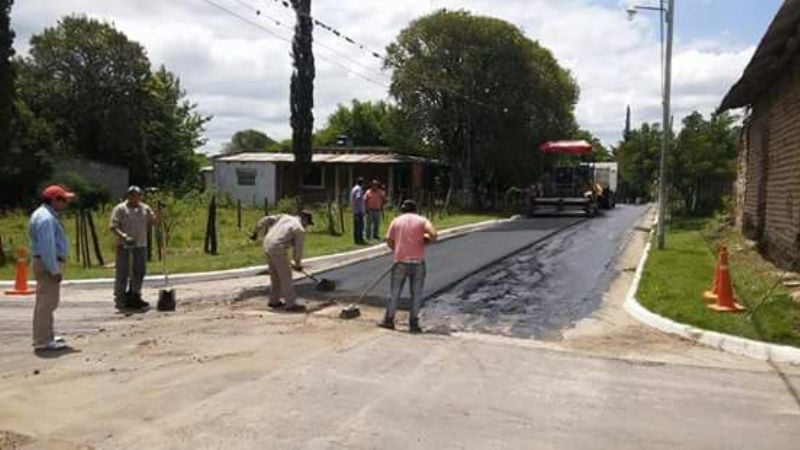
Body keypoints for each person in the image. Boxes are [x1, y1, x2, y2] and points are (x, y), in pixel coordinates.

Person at [29, 185, 75, 351]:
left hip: (46, 262)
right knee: (47, 304)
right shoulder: (46, 219)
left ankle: (46, 335)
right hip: (48, 263)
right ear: (54, 200)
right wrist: (54, 270)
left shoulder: (44, 215)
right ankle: (42, 340)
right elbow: (47, 247)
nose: (65, 203)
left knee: (46, 302)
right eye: (63, 200)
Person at [380, 199, 437, 333]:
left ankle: (389, 320)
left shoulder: (396, 221)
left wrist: (397, 250)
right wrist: (425, 240)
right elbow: (434, 235)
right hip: (417, 263)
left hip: (400, 261)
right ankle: (413, 324)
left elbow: (388, 239)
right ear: (415, 209)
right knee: (416, 294)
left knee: (394, 293)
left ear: (402, 210)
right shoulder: (422, 220)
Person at [250, 211, 313, 311]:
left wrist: (256, 231)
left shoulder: (284, 217)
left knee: (275, 276)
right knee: (286, 277)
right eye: (307, 223)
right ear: (304, 219)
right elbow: (298, 249)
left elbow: (265, 220)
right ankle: (291, 304)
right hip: (278, 247)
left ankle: (273, 300)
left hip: (267, 244)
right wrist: (297, 264)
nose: (306, 226)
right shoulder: (299, 229)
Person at [109, 186, 157, 311]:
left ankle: (135, 295)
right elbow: (113, 226)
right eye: (131, 195)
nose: (134, 197)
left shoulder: (145, 208)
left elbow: (153, 221)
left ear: (140, 196)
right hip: (125, 246)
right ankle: (120, 298)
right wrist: (124, 236)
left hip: (140, 245)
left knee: (139, 271)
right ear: (128, 196)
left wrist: (158, 213)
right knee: (123, 272)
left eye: (137, 195)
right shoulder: (120, 209)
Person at [350, 177, 366, 244]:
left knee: (356, 226)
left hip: (354, 210)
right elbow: (358, 198)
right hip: (358, 211)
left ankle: (356, 239)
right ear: (362, 183)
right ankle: (359, 239)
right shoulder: (359, 189)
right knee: (360, 226)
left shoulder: (354, 188)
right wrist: (360, 209)